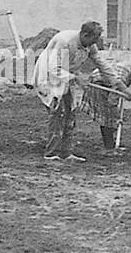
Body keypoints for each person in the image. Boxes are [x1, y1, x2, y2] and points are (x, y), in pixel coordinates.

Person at [32, 21, 125, 161]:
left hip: (68, 77)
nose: (94, 43)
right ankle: (51, 153)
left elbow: (101, 64)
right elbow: (53, 69)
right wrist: (76, 78)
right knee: (57, 113)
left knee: (70, 113)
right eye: (93, 39)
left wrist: (117, 83)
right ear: (85, 34)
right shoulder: (65, 42)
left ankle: (66, 153)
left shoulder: (89, 44)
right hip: (49, 78)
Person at [84, 61, 131, 154]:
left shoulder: (127, 73)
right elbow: (113, 99)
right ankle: (109, 148)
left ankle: (110, 145)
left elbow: (118, 92)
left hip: (106, 84)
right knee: (107, 117)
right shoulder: (122, 77)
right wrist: (115, 115)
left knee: (110, 117)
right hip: (98, 84)